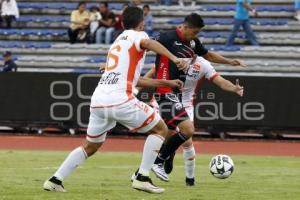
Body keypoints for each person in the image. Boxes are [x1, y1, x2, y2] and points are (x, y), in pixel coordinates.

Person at [43, 6, 188, 194]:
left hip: (99, 100)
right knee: (160, 129)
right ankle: (142, 177)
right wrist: (175, 59)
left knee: (91, 146)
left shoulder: (117, 41)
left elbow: (135, 79)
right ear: (141, 22)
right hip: (120, 99)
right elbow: (149, 43)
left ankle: (55, 179)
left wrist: (166, 82)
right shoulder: (138, 35)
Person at [131, 13, 245, 186]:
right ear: (185, 27)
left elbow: (209, 56)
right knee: (188, 129)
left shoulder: (193, 44)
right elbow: (143, 46)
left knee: (165, 136)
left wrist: (230, 62)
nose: (196, 36)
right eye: (195, 32)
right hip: (165, 91)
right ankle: (160, 161)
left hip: (176, 95)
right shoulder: (167, 37)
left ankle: (142, 172)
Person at [139, 56, 243, 185]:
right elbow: (152, 73)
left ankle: (190, 180)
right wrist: (136, 88)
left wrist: (233, 88)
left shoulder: (203, 64)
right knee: (161, 135)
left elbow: (220, 81)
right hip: (165, 99)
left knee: (187, 140)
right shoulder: (172, 55)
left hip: (186, 104)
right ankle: (149, 167)